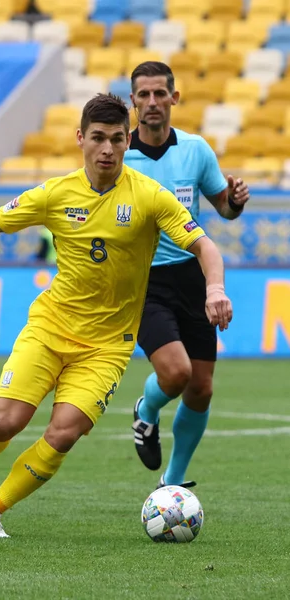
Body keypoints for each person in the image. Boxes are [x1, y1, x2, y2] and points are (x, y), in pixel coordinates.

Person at [0, 93, 232, 539]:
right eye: (99, 138)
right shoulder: (55, 194)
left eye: (118, 139)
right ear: (80, 138)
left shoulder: (149, 197)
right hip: (51, 327)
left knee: (64, 432)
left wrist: (215, 288)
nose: (108, 149)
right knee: (6, 422)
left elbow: (204, 244)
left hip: (107, 345)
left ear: (129, 143)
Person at [124, 62, 250, 489]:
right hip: (144, 281)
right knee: (175, 374)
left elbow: (224, 211)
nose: (153, 103)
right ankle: (146, 410)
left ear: (174, 98)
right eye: (144, 95)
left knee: (201, 388)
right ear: (133, 102)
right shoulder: (119, 154)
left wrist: (234, 201)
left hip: (191, 276)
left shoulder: (196, 150)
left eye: (161, 94)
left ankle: (172, 483)